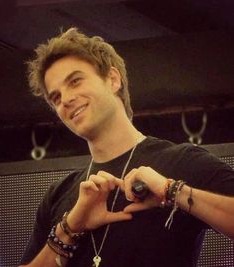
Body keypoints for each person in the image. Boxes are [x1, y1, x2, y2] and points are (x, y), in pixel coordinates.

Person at [19, 27, 234, 267]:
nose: (66, 99)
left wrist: (172, 191)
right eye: (56, 98)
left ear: (112, 79)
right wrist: (68, 229)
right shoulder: (59, 195)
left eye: (75, 81)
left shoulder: (182, 161)